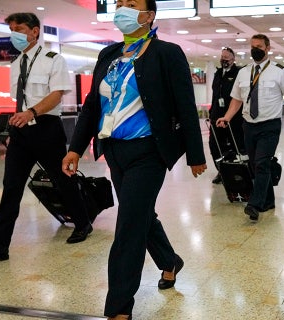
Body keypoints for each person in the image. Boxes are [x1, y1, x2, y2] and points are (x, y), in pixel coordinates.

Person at [61, 1, 207, 319]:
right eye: (121, 2)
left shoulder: (167, 53)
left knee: (128, 227)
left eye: (132, 3)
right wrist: (75, 147)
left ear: (149, 15)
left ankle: (118, 309)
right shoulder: (108, 55)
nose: (123, 7)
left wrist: (196, 154)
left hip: (149, 153)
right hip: (114, 151)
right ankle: (169, 262)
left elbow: (185, 104)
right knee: (139, 214)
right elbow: (91, 105)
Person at [0, 12, 93, 261]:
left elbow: (57, 95)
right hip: (21, 131)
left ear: (35, 31)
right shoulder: (16, 64)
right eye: (12, 29)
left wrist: (31, 112)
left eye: (20, 28)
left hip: (46, 128)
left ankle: (83, 223)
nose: (15, 33)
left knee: (62, 179)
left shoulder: (53, 59)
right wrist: (16, 126)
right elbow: (20, 100)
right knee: (11, 186)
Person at [216, 34, 284, 221]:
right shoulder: (244, 72)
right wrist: (227, 117)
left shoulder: (279, 72)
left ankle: (254, 205)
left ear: (268, 48)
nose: (255, 49)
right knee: (255, 166)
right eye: (252, 46)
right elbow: (236, 100)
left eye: (259, 46)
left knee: (262, 163)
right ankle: (268, 200)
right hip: (249, 126)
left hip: (270, 125)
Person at [209, 47, 244, 184]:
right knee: (215, 145)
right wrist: (212, 113)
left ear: (233, 59)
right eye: (222, 57)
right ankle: (221, 171)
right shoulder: (218, 73)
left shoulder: (238, 73)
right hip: (217, 116)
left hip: (234, 118)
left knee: (235, 146)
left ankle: (236, 171)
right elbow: (215, 95)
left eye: (227, 58)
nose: (224, 60)